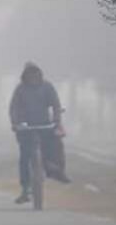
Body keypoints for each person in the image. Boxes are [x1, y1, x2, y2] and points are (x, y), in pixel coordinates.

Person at [8, 61, 70, 204]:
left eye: (35, 75)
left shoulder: (47, 87)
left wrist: (56, 120)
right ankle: (25, 188)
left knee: (56, 145)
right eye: (30, 75)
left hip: (45, 125)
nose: (33, 78)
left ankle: (57, 170)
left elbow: (55, 105)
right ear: (25, 76)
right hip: (25, 128)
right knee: (25, 156)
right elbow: (14, 108)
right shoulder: (20, 90)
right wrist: (15, 123)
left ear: (39, 74)